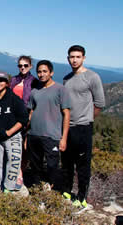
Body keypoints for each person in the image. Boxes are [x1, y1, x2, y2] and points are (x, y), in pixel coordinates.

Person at [62, 45, 105, 209]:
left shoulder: (92, 77)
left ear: (84, 58)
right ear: (68, 59)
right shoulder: (66, 78)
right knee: (66, 162)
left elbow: (99, 103)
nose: (74, 60)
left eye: (78, 57)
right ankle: (67, 192)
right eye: (71, 57)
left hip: (83, 127)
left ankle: (82, 198)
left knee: (82, 165)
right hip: (67, 127)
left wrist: (87, 118)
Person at [27, 60, 71, 190]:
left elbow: (66, 114)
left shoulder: (60, 90)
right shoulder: (35, 91)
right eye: (39, 72)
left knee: (53, 166)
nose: (41, 74)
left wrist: (64, 138)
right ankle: (37, 191)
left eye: (45, 71)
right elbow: (31, 111)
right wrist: (26, 133)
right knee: (35, 166)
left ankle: (55, 192)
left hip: (52, 136)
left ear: (51, 72)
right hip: (34, 134)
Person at [0, 71, 28, 193]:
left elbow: (23, 119)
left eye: (1, 80)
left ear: (7, 83)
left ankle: (9, 190)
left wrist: (9, 132)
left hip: (12, 137)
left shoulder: (14, 99)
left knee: (13, 164)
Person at [10, 55, 39, 188]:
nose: (22, 68)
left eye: (25, 65)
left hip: (27, 117)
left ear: (30, 66)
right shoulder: (13, 80)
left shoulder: (34, 82)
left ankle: (20, 175)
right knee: (12, 146)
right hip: (12, 116)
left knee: (24, 147)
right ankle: (11, 172)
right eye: (20, 65)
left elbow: (36, 101)